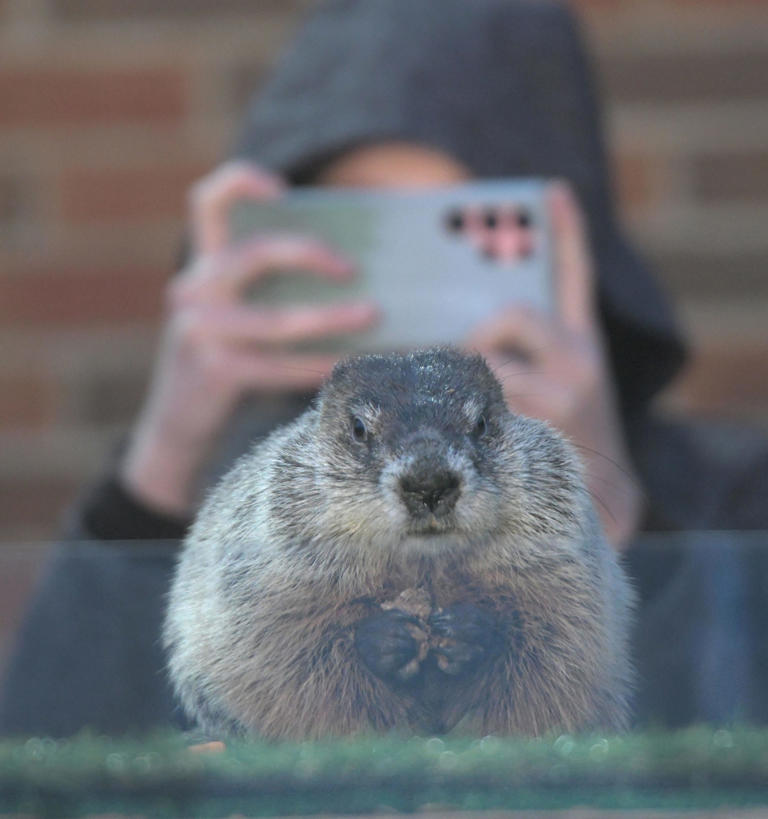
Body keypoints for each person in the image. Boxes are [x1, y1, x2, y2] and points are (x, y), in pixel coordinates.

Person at [2, 0, 767, 737]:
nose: (421, 294)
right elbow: (52, 767)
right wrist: (161, 463)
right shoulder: (240, 492)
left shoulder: (737, 487)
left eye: (459, 227)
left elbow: (719, 751)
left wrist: (616, 514)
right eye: (370, 236)